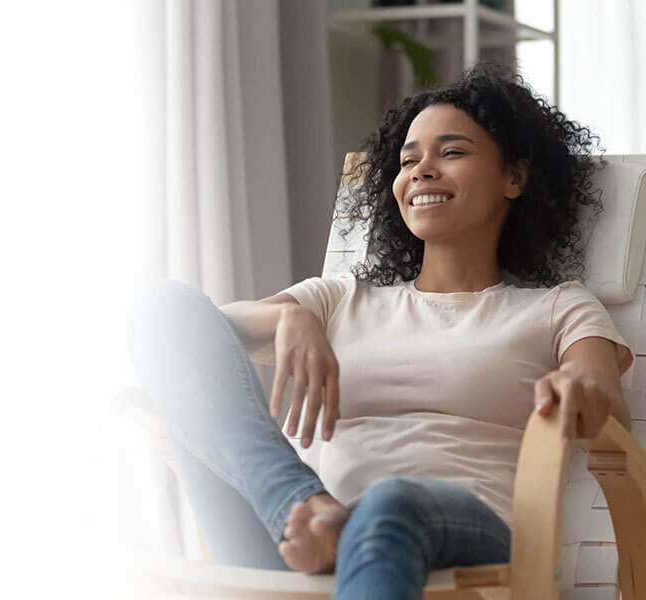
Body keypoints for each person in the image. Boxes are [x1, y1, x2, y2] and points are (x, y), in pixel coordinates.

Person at [124, 62, 634, 599]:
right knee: (159, 304)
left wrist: (578, 390)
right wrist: (290, 315)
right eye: (408, 160)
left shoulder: (557, 308)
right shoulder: (340, 298)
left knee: (390, 502)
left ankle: (324, 521)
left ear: (514, 176)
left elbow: (603, 399)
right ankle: (303, 508)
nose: (422, 170)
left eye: (452, 152)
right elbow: (179, 333)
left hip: (463, 535)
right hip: (303, 544)